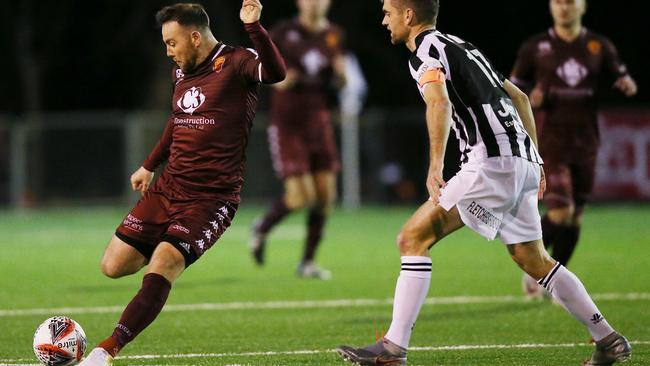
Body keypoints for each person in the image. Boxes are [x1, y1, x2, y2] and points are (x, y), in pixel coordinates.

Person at [336, 1, 631, 365]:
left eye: (388, 12)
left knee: (412, 238)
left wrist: (434, 166)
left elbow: (438, 104)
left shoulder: (426, 51)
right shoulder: (463, 46)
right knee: (533, 258)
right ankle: (609, 339)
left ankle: (393, 350)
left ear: (408, 15)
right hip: (520, 162)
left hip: (490, 164)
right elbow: (520, 98)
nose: (384, 19)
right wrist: (536, 160)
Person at [78, 2, 285, 365]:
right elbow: (176, 122)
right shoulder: (180, 74)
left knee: (164, 263)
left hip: (211, 198)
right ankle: (171, 240)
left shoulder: (237, 61)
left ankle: (106, 349)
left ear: (194, 36)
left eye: (172, 43)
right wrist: (148, 166)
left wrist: (254, 27)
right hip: (168, 189)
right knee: (112, 266)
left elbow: (276, 72)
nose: (168, 51)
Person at [510, 0, 637, 298]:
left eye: (570, 1)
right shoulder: (535, 47)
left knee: (576, 216)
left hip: (587, 141)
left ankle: (555, 278)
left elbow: (622, 75)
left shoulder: (598, 45)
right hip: (550, 141)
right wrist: (532, 98)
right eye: (557, 1)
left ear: (583, 6)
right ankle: (530, 259)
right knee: (560, 210)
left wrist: (626, 83)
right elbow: (512, 90)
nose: (563, 7)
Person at [249, 0, 346, 279]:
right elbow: (263, 71)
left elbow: (339, 82)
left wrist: (341, 77)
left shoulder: (334, 34)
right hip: (288, 125)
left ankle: (307, 262)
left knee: (326, 197)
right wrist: (279, 79)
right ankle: (262, 227)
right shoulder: (283, 32)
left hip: (319, 123)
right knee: (301, 197)